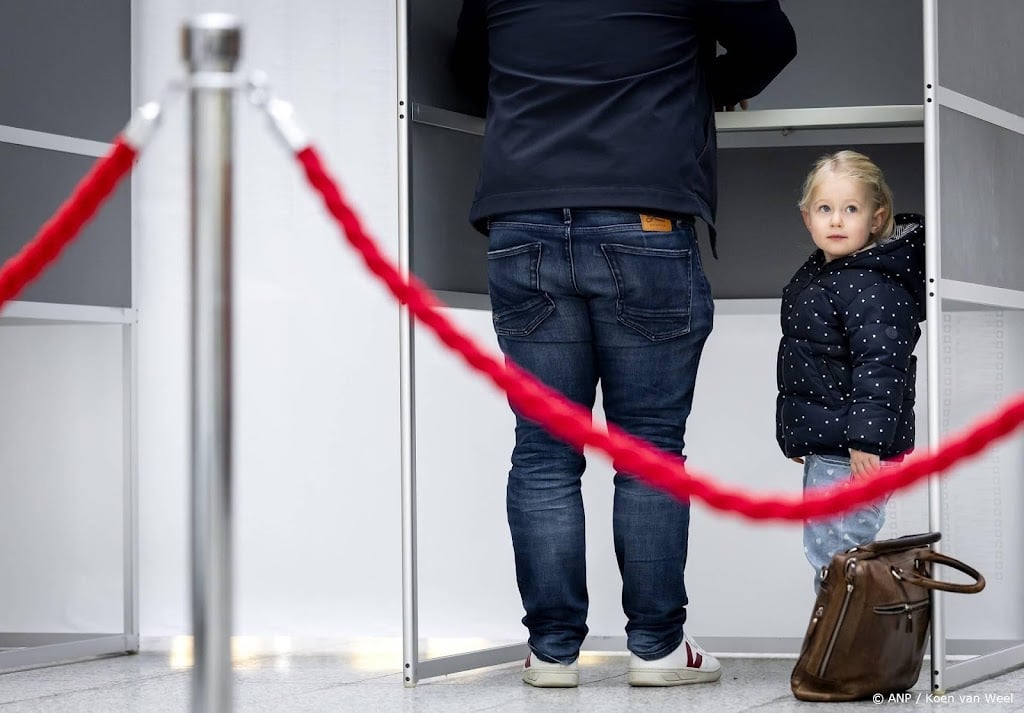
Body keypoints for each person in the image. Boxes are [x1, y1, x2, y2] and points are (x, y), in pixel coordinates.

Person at [450, 0, 796, 688]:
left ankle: (549, 653)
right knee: (648, 449)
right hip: (644, 215)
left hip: (523, 217)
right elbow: (771, 43)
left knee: (544, 451)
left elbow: (468, 73)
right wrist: (700, 87)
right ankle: (658, 648)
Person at [775, 150, 926, 591]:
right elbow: (810, 362)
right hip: (833, 442)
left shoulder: (874, 285)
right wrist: (802, 434)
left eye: (851, 209)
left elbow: (882, 368)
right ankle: (841, 655)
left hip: (854, 449)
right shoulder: (829, 274)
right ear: (807, 217)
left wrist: (866, 441)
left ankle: (850, 657)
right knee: (830, 554)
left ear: (877, 219)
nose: (836, 221)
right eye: (825, 209)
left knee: (841, 557)